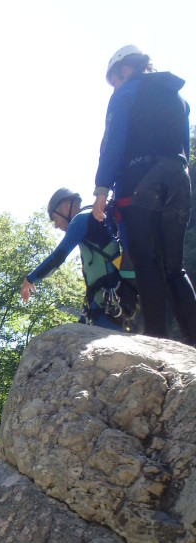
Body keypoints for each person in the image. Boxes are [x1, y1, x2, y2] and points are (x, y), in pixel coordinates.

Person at [92, 45, 196, 344]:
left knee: (146, 263)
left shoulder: (125, 94)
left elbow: (113, 143)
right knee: (174, 268)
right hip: (179, 180)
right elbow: (184, 152)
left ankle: (156, 341)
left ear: (125, 68)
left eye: (115, 79)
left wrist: (101, 188)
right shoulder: (179, 99)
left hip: (140, 182)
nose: (116, 85)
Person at [20, 189, 138, 331]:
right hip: (111, 300)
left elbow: (58, 257)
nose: (56, 225)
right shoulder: (95, 217)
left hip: (105, 303)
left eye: (55, 219)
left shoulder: (81, 219)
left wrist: (29, 279)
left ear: (64, 207)